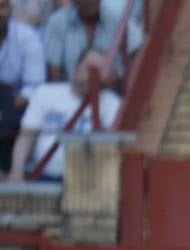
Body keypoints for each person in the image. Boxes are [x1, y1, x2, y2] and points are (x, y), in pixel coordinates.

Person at [6, 47, 117, 181]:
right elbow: (26, 137)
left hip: (86, 183)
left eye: (97, 72)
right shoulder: (45, 92)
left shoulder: (112, 103)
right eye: (88, 68)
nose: (91, 76)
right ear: (76, 67)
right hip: (42, 175)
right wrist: (16, 171)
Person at [42, 0, 141, 82]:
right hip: (70, 94)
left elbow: (139, 53)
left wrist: (118, 75)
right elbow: (54, 73)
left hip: (111, 95)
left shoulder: (116, 19)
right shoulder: (57, 22)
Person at [0, 0, 44, 171]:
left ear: (10, 10)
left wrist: (7, 108)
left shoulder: (27, 36)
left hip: (16, 106)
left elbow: (34, 86)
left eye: (2, 7)